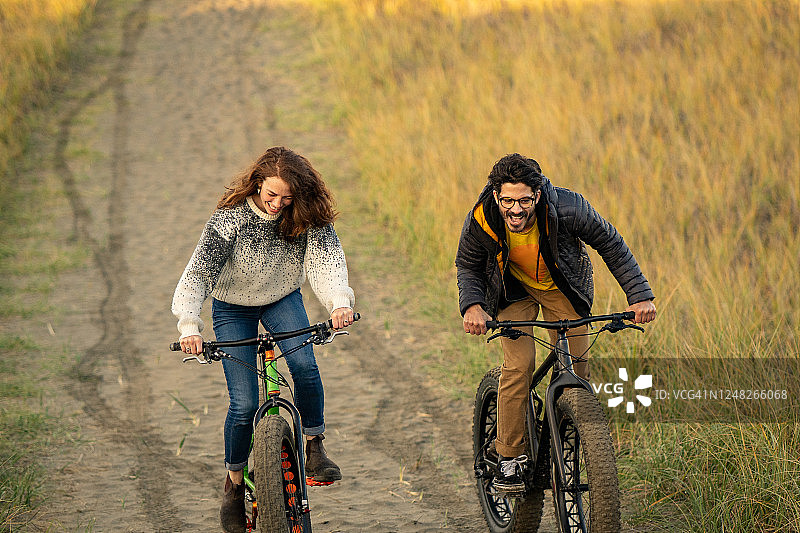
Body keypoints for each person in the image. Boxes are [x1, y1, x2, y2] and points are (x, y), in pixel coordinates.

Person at [172, 146, 355, 533]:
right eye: (272, 194)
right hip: (232, 308)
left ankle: (314, 444)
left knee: (304, 366)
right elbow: (198, 274)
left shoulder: (305, 213)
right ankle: (234, 485)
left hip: (281, 299)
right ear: (257, 183)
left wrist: (339, 303)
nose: (277, 204)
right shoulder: (230, 219)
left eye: (286, 198)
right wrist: (190, 326)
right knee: (243, 405)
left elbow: (326, 262)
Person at [455, 153, 656, 492]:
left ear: (537, 195)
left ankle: (570, 445)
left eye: (524, 200)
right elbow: (468, 263)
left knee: (577, 369)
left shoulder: (567, 207)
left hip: (560, 288)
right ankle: (509, 457)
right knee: (520, 365)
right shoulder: (483, 216)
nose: (515, 210)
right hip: (512, 291)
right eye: (507, 201)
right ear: (496, 195)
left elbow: (610, 242)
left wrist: (639, 296)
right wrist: (473, 306)